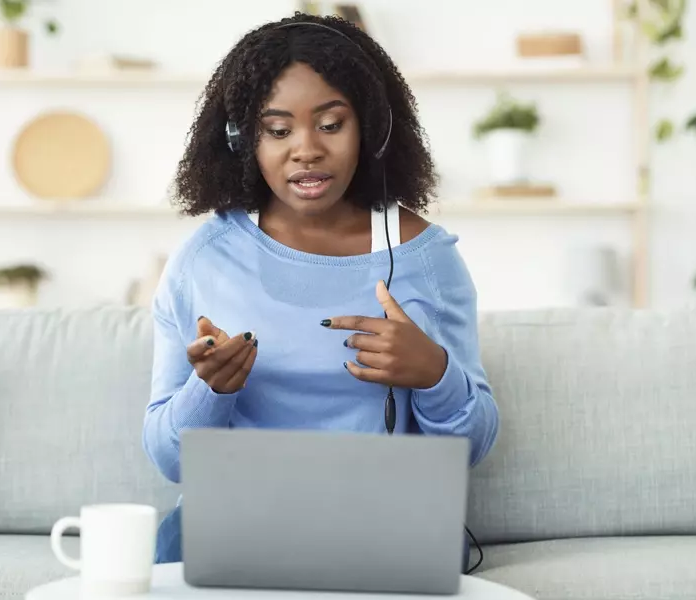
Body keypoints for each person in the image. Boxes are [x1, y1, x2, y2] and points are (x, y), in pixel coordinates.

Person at [142, 11, 499, 569]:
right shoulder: (202, 262)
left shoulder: (427, 260)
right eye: (278, 131)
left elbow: (472, 446)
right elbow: (169, 458)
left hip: (388, 520)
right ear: (243, 141)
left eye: (330, 125)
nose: (305, 149)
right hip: (234, 521)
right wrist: (208, 392)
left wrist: (434, 373)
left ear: (373, 128)